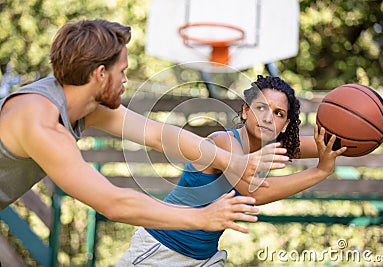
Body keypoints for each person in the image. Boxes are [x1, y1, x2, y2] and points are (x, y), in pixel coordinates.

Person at [0, 20, 290, 233]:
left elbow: (158, 135)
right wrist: (201, 217)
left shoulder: (81, 104)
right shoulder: (41, 125)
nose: (126, 81)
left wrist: (232, 160)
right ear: (101, 74)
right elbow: (113, 203)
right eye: (122, 72)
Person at [117, 75, 347, 266]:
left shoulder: (273, 147)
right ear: (246, 111)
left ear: (285, 124)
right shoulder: (224, 143)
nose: (268, 118)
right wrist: (320, 171)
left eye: (278, 114)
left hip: (203, 258)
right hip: (161, 250)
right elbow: (254, 194)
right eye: (261, 108)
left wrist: (360, 134)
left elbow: (332, 143)